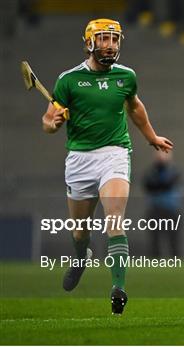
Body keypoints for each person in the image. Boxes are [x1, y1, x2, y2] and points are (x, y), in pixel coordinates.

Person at [41, 18, 173, 315]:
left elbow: (135, 107)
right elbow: (48, 120)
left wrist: (151, 137)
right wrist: (54, 122)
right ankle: (80, 258)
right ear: (90, 43)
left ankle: (118, 288)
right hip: (79, 159)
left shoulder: (126, 76)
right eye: (103, 39)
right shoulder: (69, 80)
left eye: (114, 40)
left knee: (115, 220)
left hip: (114, 153)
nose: (110, 45)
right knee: (79, 233)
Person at [143, 150, 182, 257]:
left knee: (173, 239)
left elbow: (167, 183)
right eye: (158, 155)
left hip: (171, 209)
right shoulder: (151, 172)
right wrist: (158, 185)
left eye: (164, 155)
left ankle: (175, 261)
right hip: (155, 209)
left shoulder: (174, 171)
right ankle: (156, 260)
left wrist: (157, 185)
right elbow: (148, 185)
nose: (161, 157)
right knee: (155, 239)